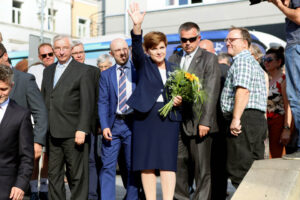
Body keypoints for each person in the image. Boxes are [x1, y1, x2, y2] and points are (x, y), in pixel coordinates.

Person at [127, 3, 183, 200]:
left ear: (166, 47)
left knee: (167, 163)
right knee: (146, 163)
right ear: (147, 51)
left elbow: (183, 94)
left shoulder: (176, 69)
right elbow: (135, 46)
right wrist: (137, 27)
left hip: (169, 119)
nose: (159, 52)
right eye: (154, 48)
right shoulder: (143, 64)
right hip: (145, 118)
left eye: (162, 47)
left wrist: (179, 100)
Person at [169, 22, 220, 200]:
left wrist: (205, 121)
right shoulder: (173, 59)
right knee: (178, 164)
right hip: (177, 121)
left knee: (201, 168)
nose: (188, 43)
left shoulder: (209, 58)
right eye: (184, 40)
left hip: (199, 121)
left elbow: (212, 91)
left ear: (199, 38)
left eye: (192, 39)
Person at [41, 34, 95, 200]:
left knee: (77, 176)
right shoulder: (48, 70)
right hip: (52, 133)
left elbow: (88, 102)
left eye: (65, 48)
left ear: (71, 49)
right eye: (57, 48)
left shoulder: (83, 70)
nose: (61, 52)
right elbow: (45, 98)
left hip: (74, 133)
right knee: (54, 175)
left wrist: (83, 129)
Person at [221, 27, 268, 188]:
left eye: (231, 40)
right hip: (254, 119)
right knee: (253, 169)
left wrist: (235, 119)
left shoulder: (242, 61)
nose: (227, 43)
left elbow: (243, 90)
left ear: (244, 43)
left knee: (239, 169)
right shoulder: (251, 62)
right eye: (227, 40)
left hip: (244, 119)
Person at [0, 43, 48, 199]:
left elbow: (40, 112)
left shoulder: (25, 79)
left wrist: (38, 141)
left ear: (5, 56)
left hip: (19, 146)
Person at [98, 37, 139, 200]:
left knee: (132, 166)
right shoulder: (106, 75)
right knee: (107, 167)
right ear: (111, 53)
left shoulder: (138, 70)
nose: (122, 53)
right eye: (118, 50)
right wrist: (105, 125)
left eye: (124, 48)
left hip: (133, 124)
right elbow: (102, 101)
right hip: (113, 125)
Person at [268, 0, 300, 159]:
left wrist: (278, 4)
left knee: (296, 97)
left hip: (296, 45)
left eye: (269, 60)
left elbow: (298, 17)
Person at [71, 40, 101, 200]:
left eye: (81, 52)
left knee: (91, 161)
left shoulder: (94, 71)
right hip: (69, 125)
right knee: (74, 164)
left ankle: (92, 195)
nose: (79, 55)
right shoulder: (66, 73)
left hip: (90, 126)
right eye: (75, 53)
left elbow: (98, 99)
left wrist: (98, 124)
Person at [0, 64, 34, 200]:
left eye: (4, 89)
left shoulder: (21, 115)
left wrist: (20, 185)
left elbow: (26, 156)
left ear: (12, 86)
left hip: (5, 187)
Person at [27, 42, 54, 200]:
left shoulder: (59, 69)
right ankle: (33, 190)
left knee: (48, 157)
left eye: (50, 54)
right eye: (44, 55)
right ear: (39, 57)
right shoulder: (34, 71)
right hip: (35, 120)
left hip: (53, 120)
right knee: (34, 156)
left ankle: (43, 189)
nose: (48, 57)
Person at [264, 46, 293, 158]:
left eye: (269, 60)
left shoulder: (284, 80)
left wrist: (286, 129)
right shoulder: (268, 80)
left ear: (279, 62)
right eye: (264, 60)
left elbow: (288, 106)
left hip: (278, 123)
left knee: (277, 157)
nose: (266, 62)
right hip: (267, 125)